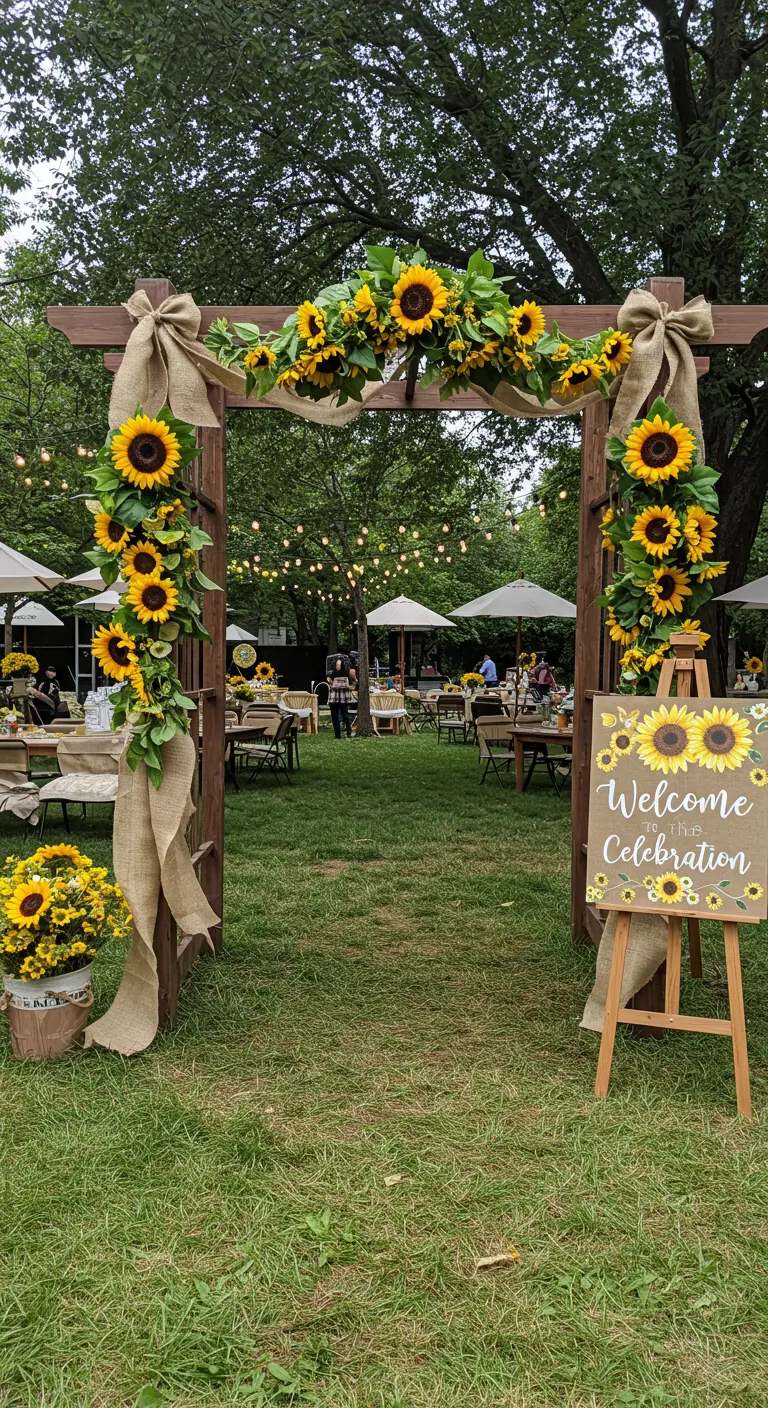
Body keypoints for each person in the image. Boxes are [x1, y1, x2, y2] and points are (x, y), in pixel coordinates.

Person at [327, 652, 356, 738]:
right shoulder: (349, 670)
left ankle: (337, 734)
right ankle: (348, 733)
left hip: (334, 695)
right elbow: (354, 680)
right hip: (344, 694)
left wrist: (334, 682)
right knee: (345, 714)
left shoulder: (332, 671)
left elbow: (329, 679)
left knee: (335, 715)